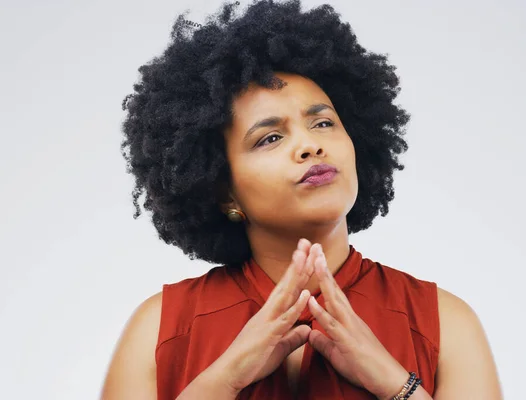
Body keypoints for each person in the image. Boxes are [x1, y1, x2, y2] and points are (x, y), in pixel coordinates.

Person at [101, 1, 503, 399]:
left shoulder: (444, 323)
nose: (310, 145)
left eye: (323, 122)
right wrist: (224, 379)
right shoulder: (161, 329)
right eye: (270, 138)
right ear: (224, 191)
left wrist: (394, 383)